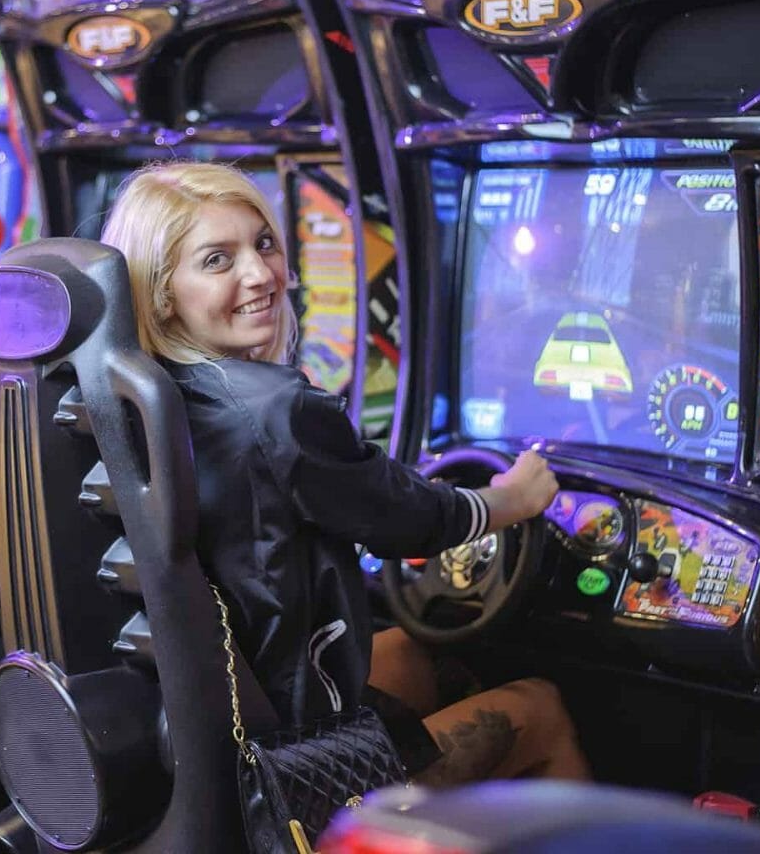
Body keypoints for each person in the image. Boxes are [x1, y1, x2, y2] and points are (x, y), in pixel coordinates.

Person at [100, 162, 590, 785]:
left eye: (264, 243)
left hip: (202, 734)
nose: (261, 274)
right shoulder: (275, 408)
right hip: (282, 773)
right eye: (217, 260)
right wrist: (511, 500)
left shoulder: (138, 398)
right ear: (161, 292)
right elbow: (408, 520)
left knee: (415, 654)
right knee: (540, 708)